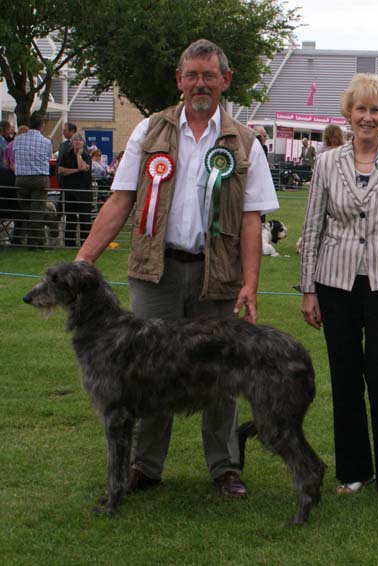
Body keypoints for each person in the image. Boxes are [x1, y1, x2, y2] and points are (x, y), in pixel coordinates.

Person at [74, 38, 278, 499]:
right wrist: (83, 258)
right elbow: (121, 198)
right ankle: (145, 466)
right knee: (147, 371)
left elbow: (251, 219)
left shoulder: (245, 141)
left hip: (217, 273)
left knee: (221, 374)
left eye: (209, 75)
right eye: (192, 75)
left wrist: (250, 282)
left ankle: (225, 467)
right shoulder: (149, 130)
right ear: (179, 79)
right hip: (156, 270)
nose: (200, 83)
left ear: (226, 80)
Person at [299, 73, 378, 502]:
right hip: (334, 282)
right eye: (361, 109)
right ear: (348, 114)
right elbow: (314, 224)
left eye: (375, 110)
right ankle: (353, 469)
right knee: (345, 377)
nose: (367, 118)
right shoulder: (326, 162)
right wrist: (308, 289)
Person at [13, 112, 53, 248]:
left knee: (26, 208)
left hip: (21, 179)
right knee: (37, 210)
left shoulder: (17, 140)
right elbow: (48, 157)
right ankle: (35, 240)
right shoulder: (46, 142)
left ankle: (38, 240)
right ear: (41, 125)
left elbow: (14, 157)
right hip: (40, 179)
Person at [57, 132, 93, 248]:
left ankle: (85, 244)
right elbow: (61, 170)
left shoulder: (87, 156)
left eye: (80, 141)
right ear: (71, 143)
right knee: (70, 219)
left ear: (83, 143)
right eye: (75, 141)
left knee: (85, 220)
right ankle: (70, 244)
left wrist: (78, 155)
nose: (77, 142)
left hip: (84, 192)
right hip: (70, 191)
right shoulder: (65, 155)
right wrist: (76, 170)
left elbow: (83, 167)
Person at [56, 122, 77, 186]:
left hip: (73, 180)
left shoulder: (79, 145)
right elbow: (58, 161)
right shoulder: (63, 145)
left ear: (72, 131)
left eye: (65, 130)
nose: (63, 132)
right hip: (62, 180)